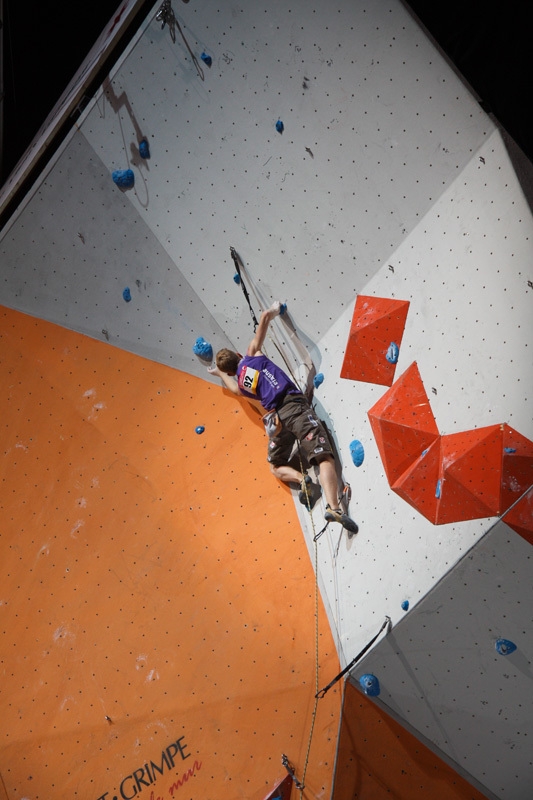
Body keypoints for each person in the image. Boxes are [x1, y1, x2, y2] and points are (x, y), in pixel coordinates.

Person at [208, 302, 358, 534]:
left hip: (277, 420)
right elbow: (265, 316)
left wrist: (220, 374)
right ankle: (334, 506)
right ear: (238, 354)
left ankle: (301, 479)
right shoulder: (252, 354)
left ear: (229, 372)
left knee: (275, 465)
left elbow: (235, 389)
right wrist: (277, 309)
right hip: (294, 407)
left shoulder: (238, 384)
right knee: (322, 455)